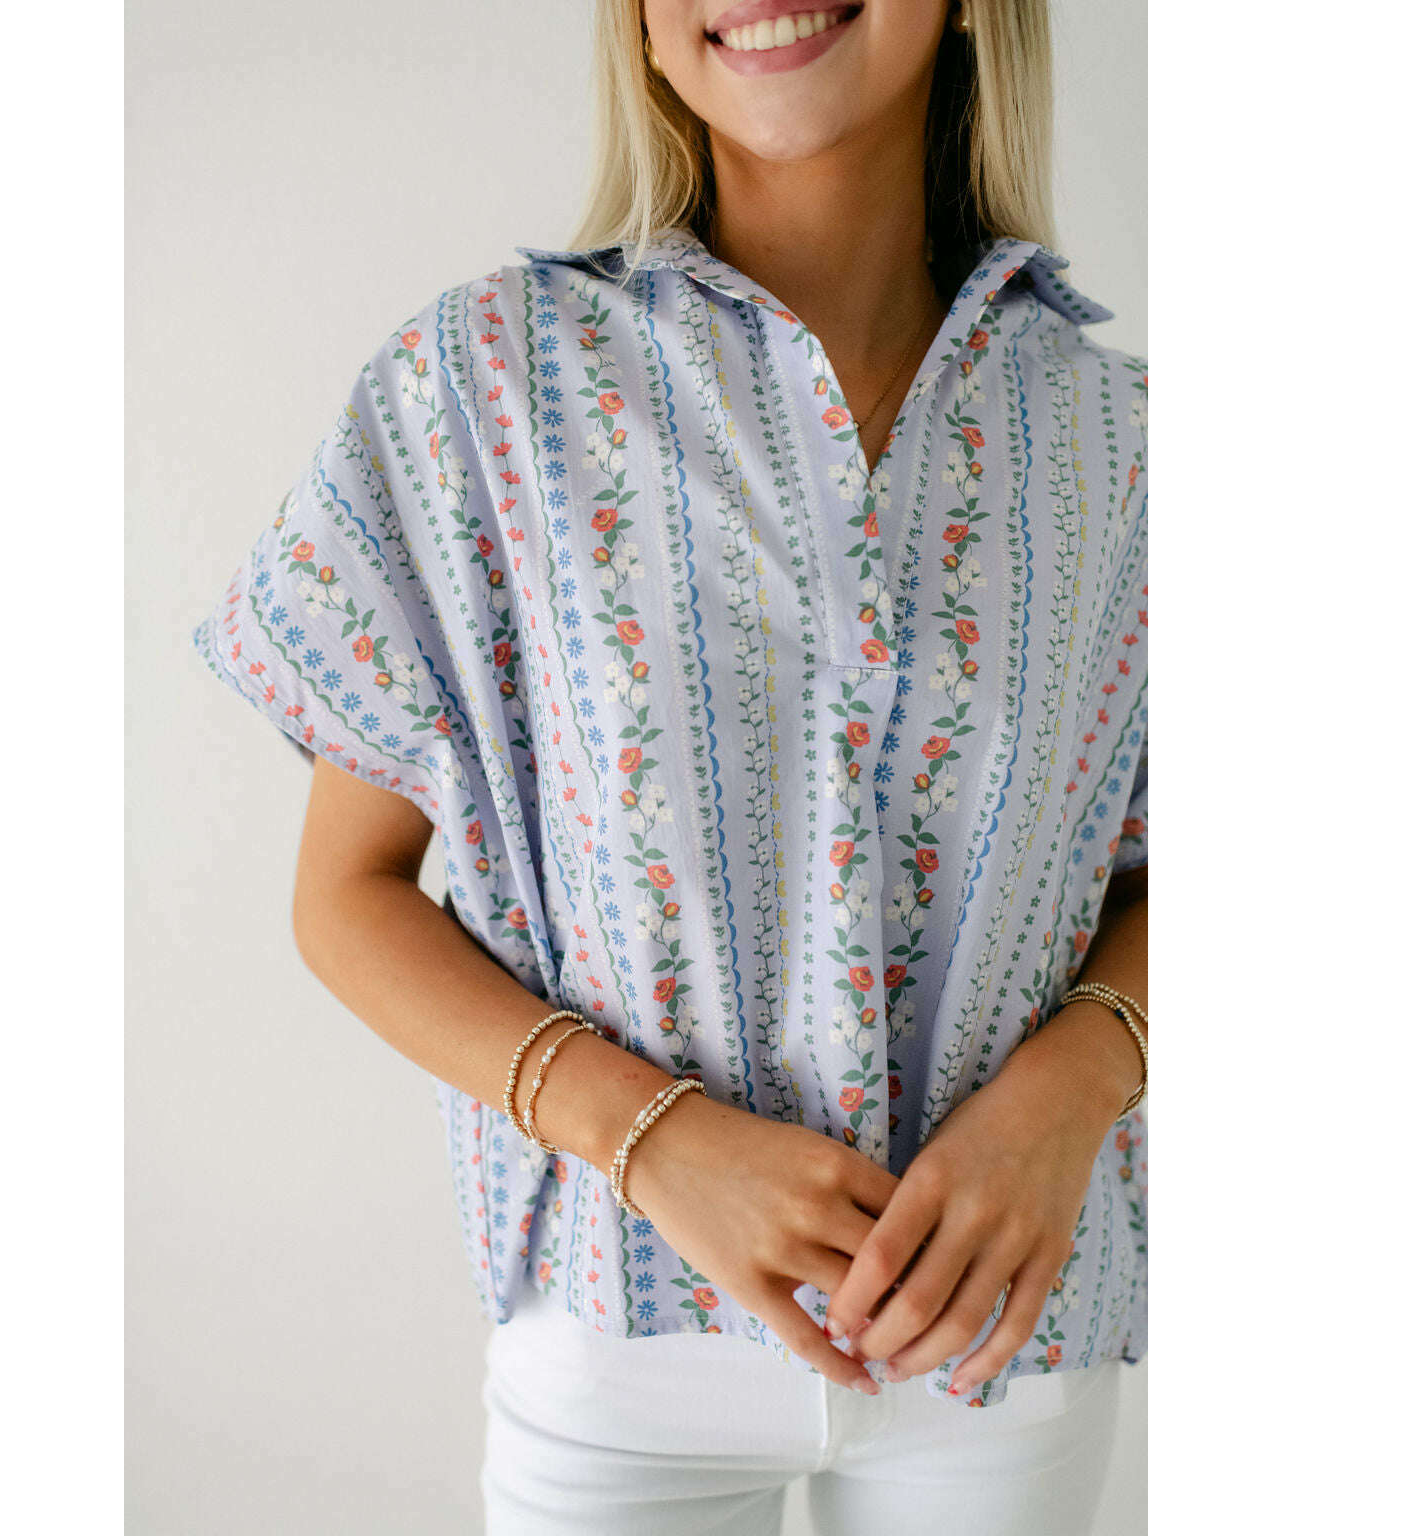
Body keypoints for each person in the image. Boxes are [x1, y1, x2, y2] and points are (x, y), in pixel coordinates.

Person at [188, 0, 1148, 1530]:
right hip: (619, 1347)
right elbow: (344, 897)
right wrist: (652, 1141)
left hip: (1003, 1354)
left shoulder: (1129, 442)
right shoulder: (480, 386)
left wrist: (1075, 1088)